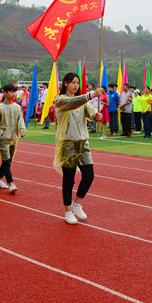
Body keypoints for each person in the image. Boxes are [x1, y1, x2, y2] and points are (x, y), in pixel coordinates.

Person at [53, 73, 103, 224]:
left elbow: (90, 112)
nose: (76, 85)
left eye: (77, 83)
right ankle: (68, 210)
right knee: (68, 179)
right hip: (68, 143)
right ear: (66, 83)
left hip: (83, 143)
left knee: (89, 175)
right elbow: (73, 102)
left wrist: (96, 115)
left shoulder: (83, 101)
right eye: (73, 82)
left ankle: (77, 204)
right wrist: (91, 94)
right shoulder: (60, 100)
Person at [0, 83, 25, 194]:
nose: (13, 94)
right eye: (10, 91)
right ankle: (11, 183)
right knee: (5, 160)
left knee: (8, 161)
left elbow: (20, 119)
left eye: (14, 91)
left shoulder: (17, 107)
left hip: (14, 137)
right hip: (2, 137)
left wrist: (22, 129)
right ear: (4, 92)